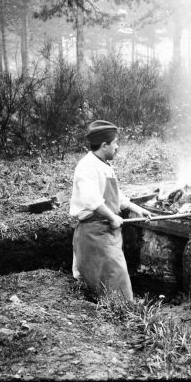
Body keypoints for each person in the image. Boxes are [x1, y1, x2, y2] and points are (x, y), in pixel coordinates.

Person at [70, 120, 151, 300]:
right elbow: (92, 200)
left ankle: (117, 310)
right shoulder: (87, 167)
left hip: (108, 232)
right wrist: (112, 217)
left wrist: (137, 209)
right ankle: (121, 315)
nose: (117, 147)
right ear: (104, 145)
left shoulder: (104, 164)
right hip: (94, 234)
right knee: (115, 277)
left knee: (113, 279)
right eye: (115, 143)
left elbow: (116, 196)